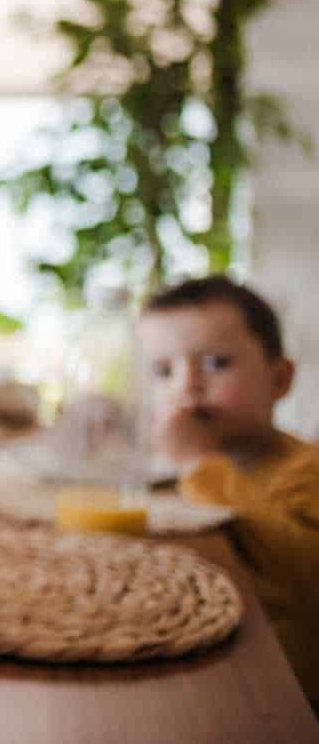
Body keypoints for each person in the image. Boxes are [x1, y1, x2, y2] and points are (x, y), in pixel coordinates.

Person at [140, 276, 319, 703]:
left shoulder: (307, 470)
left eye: (216, 363)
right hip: (204, 674)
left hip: (289, 696)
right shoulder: (174, 480)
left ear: (280, 380)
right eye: (164, 371)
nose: (186, 385)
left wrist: (199, 463)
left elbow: (304, 572)